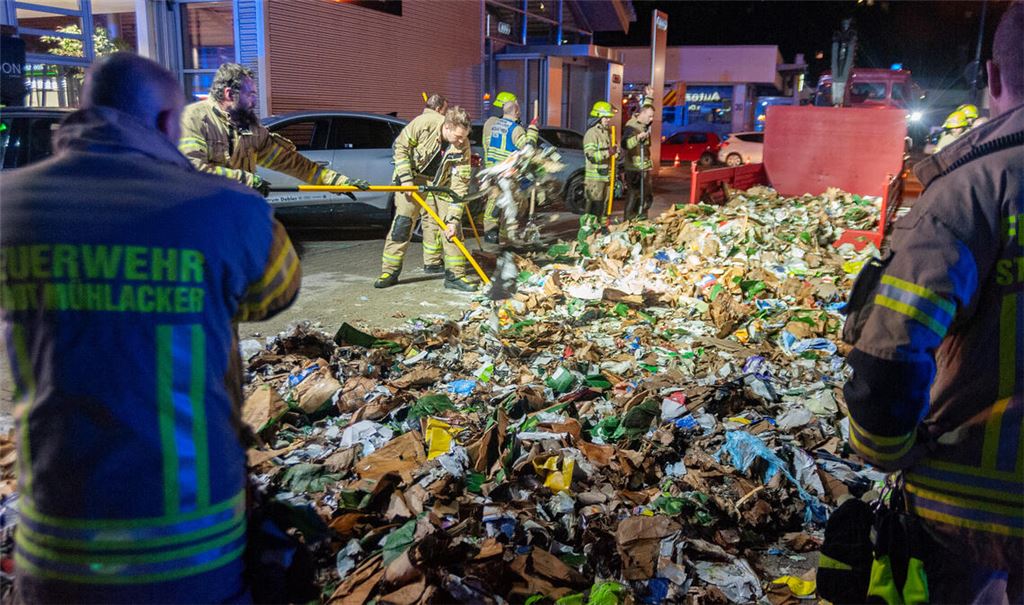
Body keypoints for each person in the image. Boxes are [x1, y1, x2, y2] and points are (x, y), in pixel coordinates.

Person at [0, 52, 301, 603]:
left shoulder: (9, 204)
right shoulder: (230, 209)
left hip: (52, 548)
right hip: (195, 546)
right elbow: (274, 294)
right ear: (167, 122)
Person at [842, 3, 1023, 602]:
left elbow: (891, 354)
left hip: (972, 507)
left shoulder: (975, 189)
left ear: (992, 77)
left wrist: (885, 450)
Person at [178, 62, 369, 196]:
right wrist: (247, 180)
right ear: (229, 94)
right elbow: (191, 171)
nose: (254, 101)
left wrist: (338, 182)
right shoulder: (193, 119)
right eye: (250, 95)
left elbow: (294, 163)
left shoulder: (250, 129)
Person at [376, 106, 475, 292]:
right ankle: (389, 272)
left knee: (452, 228)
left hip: (441, 182)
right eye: (458, 136)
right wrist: (406, 179)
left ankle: (455, 275)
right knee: (403, 224)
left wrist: (453, 218)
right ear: (447, 127)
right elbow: (400, 147)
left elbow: (460, 184)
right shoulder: (423, 124)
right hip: (412, 179)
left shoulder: (463, 145)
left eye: (465, 136)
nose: (462, 141)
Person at [482, 92, 539, 244]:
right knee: (508, 205)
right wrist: (533, 132)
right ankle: (503, 235)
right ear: (515, 109)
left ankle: (492, 234)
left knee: (495, 201)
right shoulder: (515, 129)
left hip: (493, 169)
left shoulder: (492, 125)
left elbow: (488, 146)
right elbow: (528, 150)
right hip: (508, 172)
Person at [419, 93, 449, 273]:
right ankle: (450, 264)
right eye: (445, 109)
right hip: (437, 179)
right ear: (438, 109)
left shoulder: (416, 123)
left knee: (429, 218)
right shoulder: (441, 122)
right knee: (444, 218)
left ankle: (431, 262)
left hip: (419, 180)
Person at [620, 98, 654, 220]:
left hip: (643, 168)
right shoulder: (631, 126)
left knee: (645, 196)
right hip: (634, 168)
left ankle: (641, 218)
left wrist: (649, 98)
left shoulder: (643, 124)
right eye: (650, 116)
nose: (651, 119)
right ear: (642, 114)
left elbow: (646, 108)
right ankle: (629, 219)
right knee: (634, 195)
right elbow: (625, 144)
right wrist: (637, 138)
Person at [582, 101, 618, 216]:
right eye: (606, 117)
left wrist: (617, 152)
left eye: (609, 117)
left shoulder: (609, 133)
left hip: (607, 177)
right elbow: (591, 156)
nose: (608, 119)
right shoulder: (591, 134)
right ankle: (590, 227)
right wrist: (608, 152)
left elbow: (613, 154)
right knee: (594, 209)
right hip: (595, 180)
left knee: (604, 208)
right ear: (598, 117)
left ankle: (603, 225)